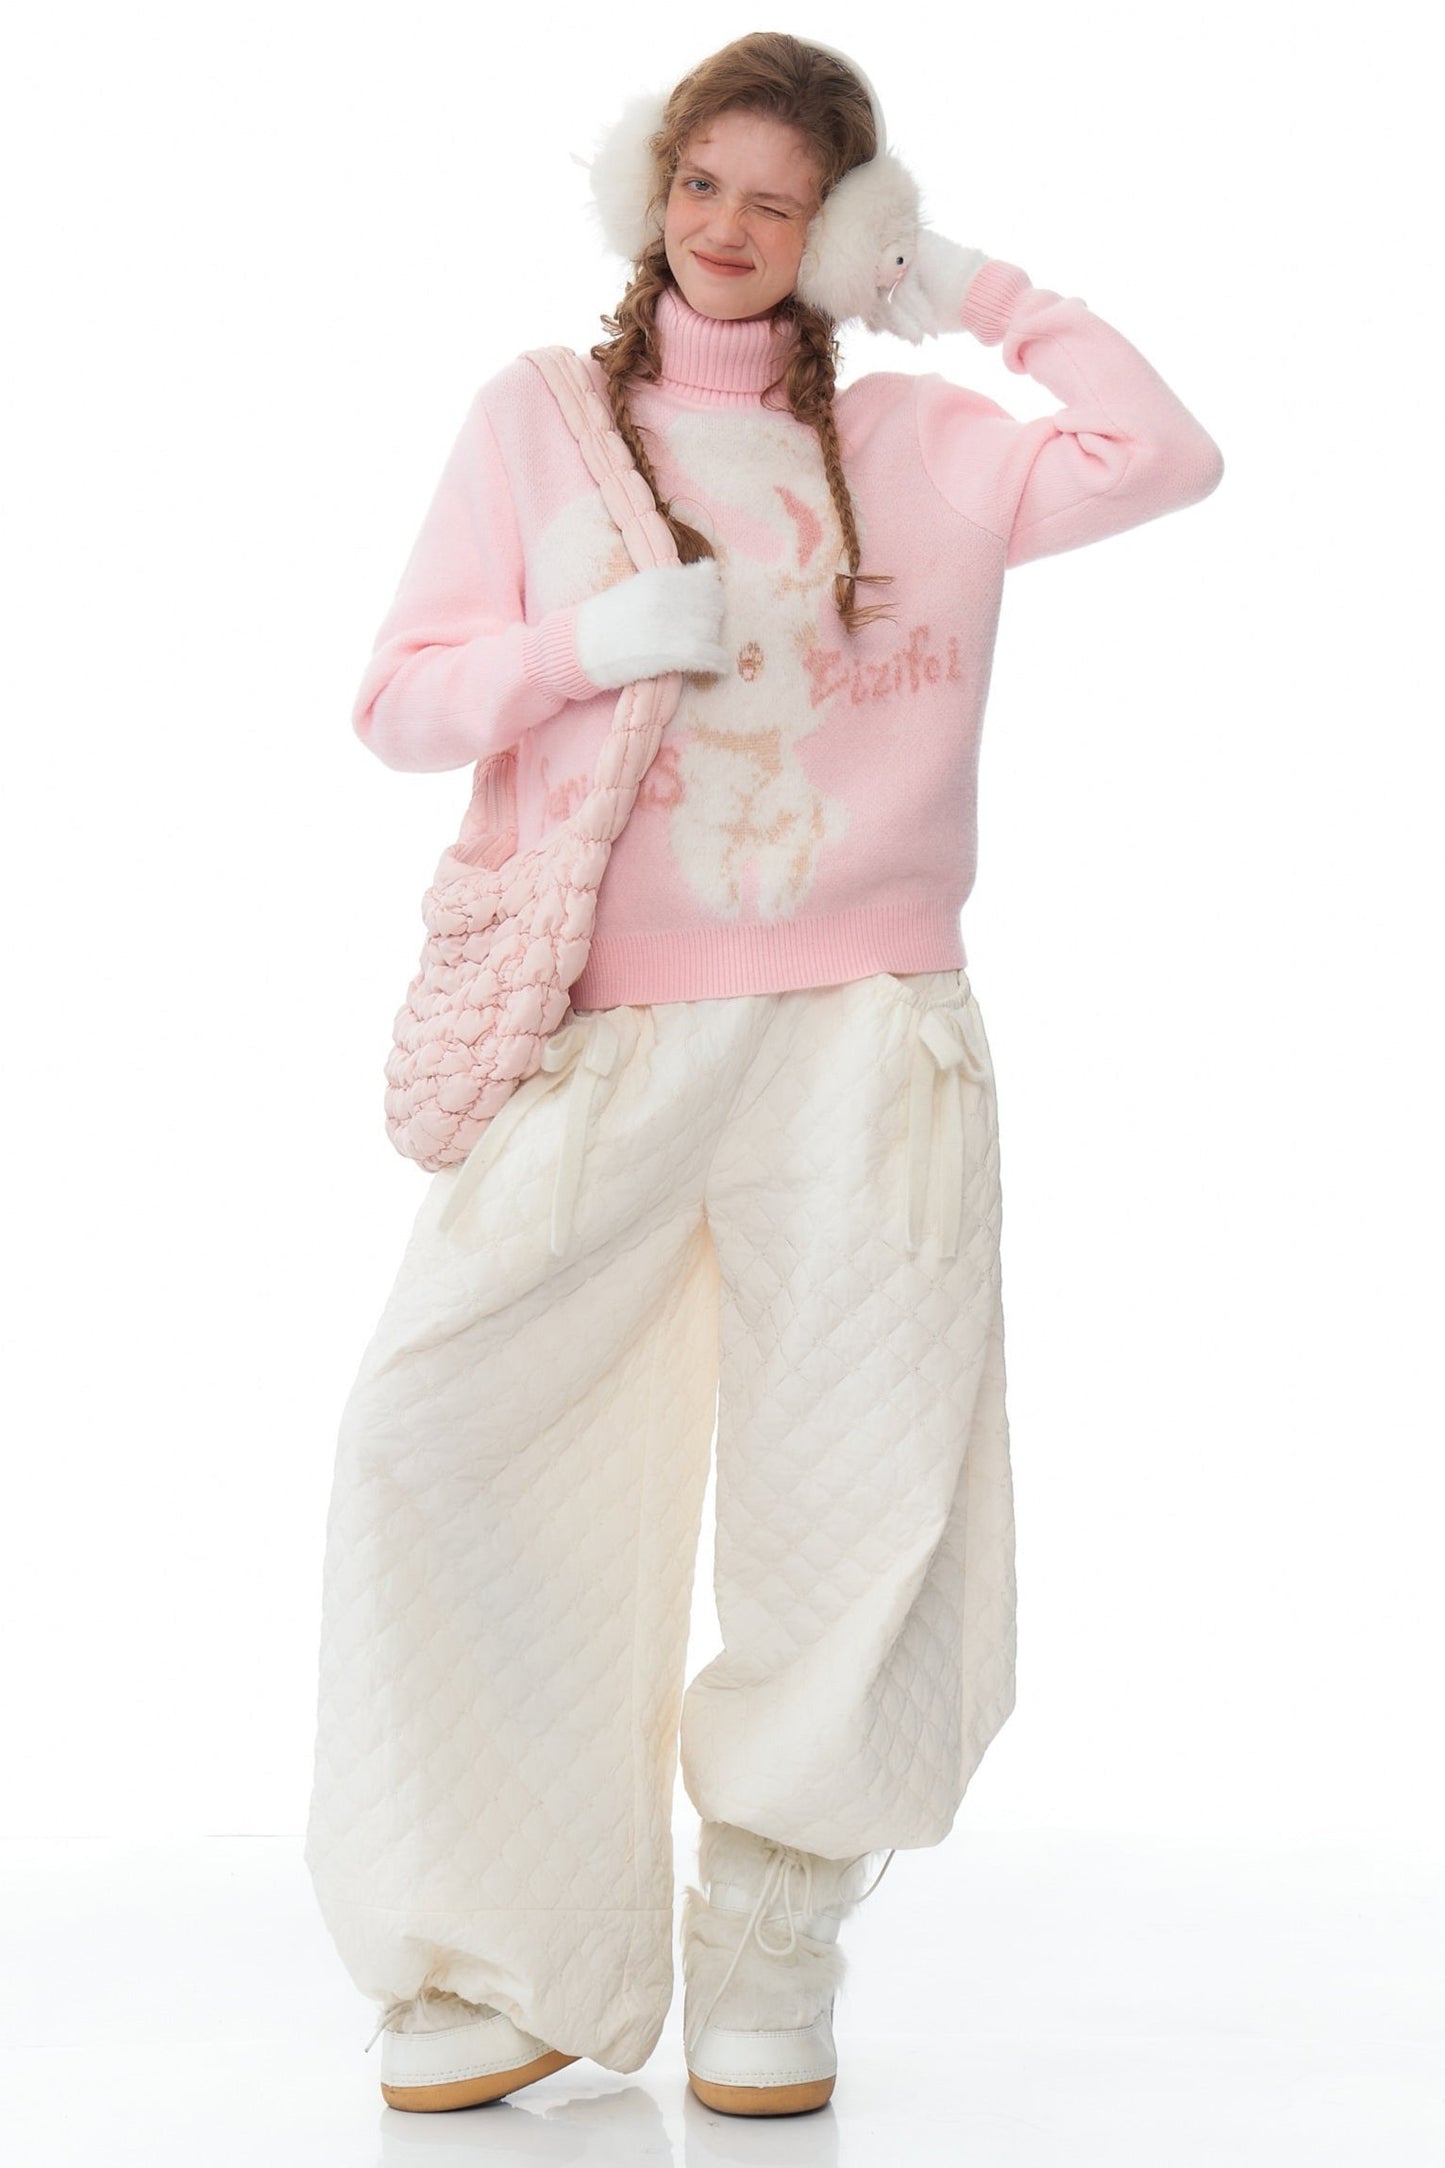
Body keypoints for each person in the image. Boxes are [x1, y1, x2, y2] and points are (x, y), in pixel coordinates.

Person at [302, 30, 1224, 2122]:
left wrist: (961, 284)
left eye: (784, 201)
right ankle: (514, 1946)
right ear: (649, 190)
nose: (729, 227)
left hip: (866, 1032)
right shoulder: (538, 423)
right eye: (702, 183)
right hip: (608, 1037)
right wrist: (587, 644)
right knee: (437, 1435)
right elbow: (399, 702)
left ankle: (770, 1938)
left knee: (856, 1486)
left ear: (838, 230)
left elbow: (1162, 453)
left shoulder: (917, 438)